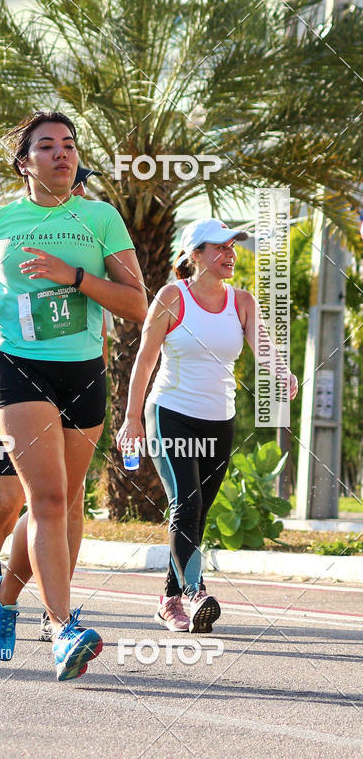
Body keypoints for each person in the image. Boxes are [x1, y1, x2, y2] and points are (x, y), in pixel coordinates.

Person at [0, 110, 147, 680]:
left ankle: (3, 595)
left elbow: (136, 305)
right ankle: (62, 628)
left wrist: (72, 277)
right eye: (47, 146)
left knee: (67, 501)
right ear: (24, 162)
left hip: (82, 370)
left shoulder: (100, 218)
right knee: (47, 499)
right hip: (14, 365)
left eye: (70, 145)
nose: (62, 153)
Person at [117, 218, 298, 634]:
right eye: (220, 247)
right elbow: (144, 360)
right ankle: (196, 591)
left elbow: (264, 349)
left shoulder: (242, 302)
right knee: (188, 502)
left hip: (220, 419)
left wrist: (281, 373)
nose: (230, 254)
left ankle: (168, 599)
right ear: (195, 254)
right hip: (170, 413)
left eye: (233, 247)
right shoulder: (171, 297)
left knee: (197, 513)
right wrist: (131, 418)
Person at [0, 165, 107, 642]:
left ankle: (51, 609)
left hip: (76, 378)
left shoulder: (93, 232)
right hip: (12, 381)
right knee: (10, 499)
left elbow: (114, 310)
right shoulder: (7, 232)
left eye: (81, 180)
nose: (75, 187)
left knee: (64, 501)